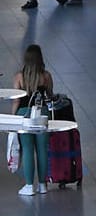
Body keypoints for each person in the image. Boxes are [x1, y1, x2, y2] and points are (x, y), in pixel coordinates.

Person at [13, 44, 54, 195]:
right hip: (42, 114)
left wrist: (13, 117)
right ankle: (43, 185)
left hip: (24, 115)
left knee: (28, 148)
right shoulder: (46, 76)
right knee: (42, 149)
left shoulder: (19, 77)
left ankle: (29, 185)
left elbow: (17, 100)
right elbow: (50, 95)